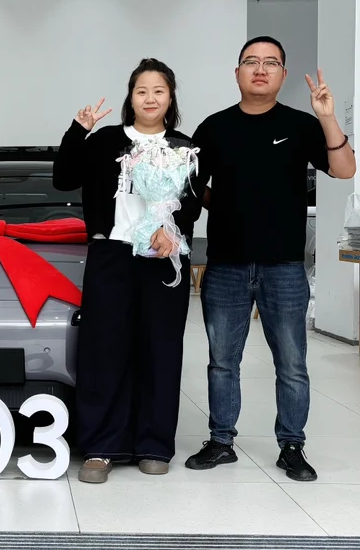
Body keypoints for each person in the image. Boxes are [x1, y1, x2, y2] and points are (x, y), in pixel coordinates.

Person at [186, 36, 356, 481]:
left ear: (283, 73)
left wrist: (328, 117)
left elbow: (345, 170)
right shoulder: (214, 128)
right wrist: (225, 207)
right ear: (237, 72)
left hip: (284, 267)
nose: (260, 69)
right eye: (251, 61)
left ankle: (292, 446)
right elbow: (191, 187)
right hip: (226, 265)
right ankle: (221, 441)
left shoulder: (302, 125)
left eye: (270, 63)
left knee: (292, 364)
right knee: (223, 361)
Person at [54, 59, 200, 484]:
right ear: (130, 98)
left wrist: (171, 231)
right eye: (142, 91)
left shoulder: (185, 146)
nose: (150, 98)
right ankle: (101, 447)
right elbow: (64, 178)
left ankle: (154, 443)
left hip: (163, 257)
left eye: (159, 90)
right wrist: (78, 130)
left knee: (160, 349)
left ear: (170, 98)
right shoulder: (104, 141)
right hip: (111, 254)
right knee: (104, 349)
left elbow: (191, 202)